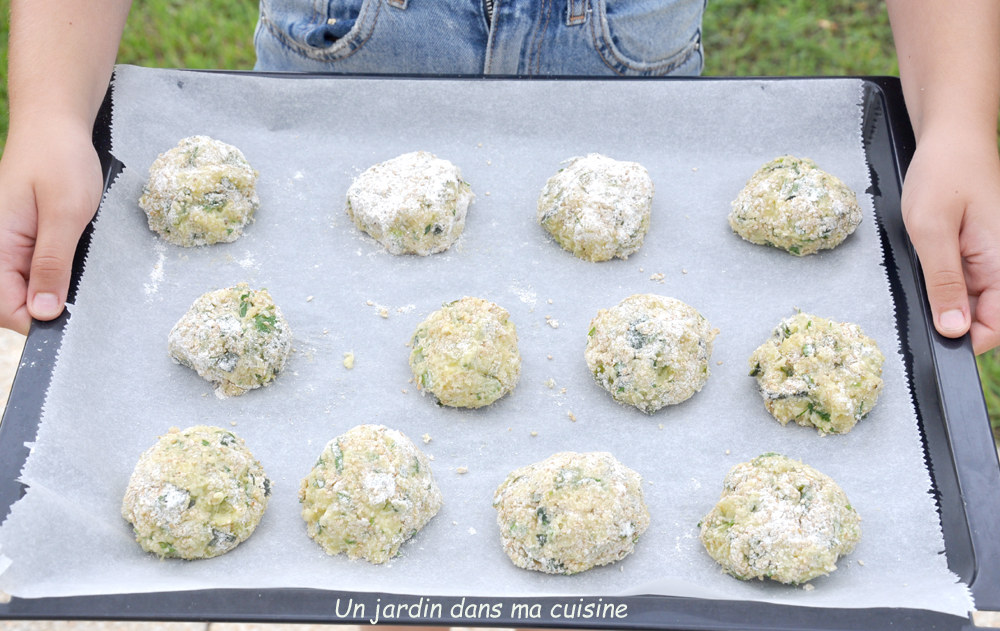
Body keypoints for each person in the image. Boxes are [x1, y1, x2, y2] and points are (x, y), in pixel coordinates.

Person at [1, 0, 998, 355]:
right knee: (393, 583)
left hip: (625, 60)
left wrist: (953, 120)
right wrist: (50, 110)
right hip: (343, 61)